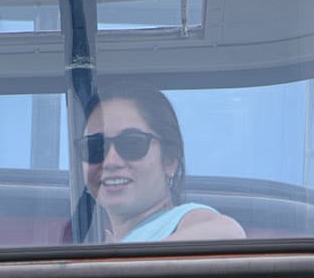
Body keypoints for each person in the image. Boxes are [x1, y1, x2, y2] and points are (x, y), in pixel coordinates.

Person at [78, 85, 245, 243]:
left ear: (170, 160)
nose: (110, 161)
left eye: (132, 144)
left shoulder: (183, 220)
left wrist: (119, 262)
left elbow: (229, 234)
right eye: (95, 147)